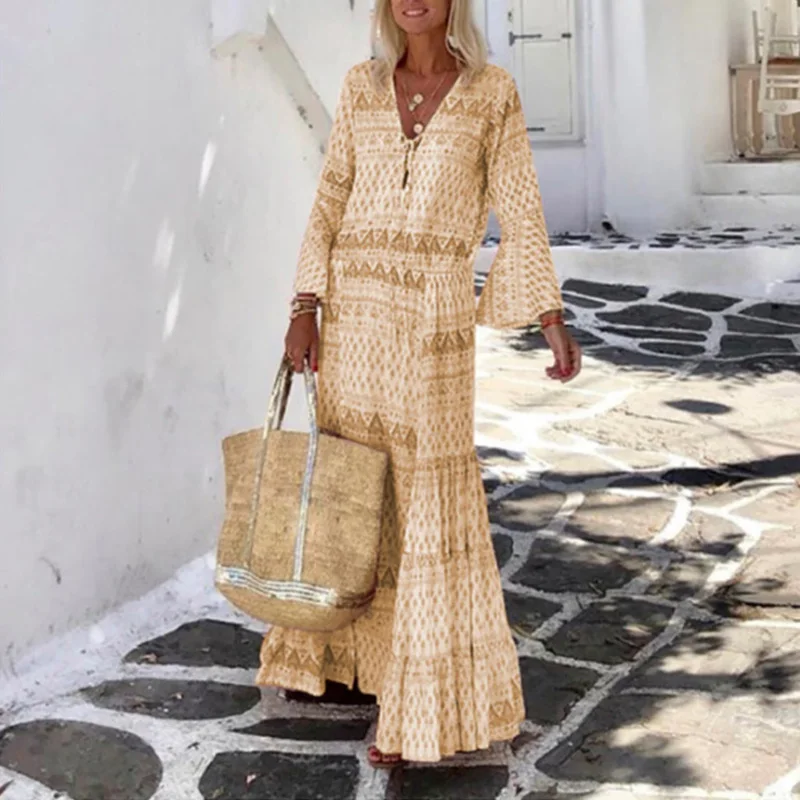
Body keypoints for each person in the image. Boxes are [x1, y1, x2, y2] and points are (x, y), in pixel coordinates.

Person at [257, 0, 582, 767]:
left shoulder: (492, 92)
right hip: (354, 316)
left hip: (432, 319)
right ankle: (344, 661)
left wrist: (550, 315)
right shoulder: (360, 86)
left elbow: (520, 203)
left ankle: (424, 706)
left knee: (427, 496)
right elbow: (332, 195)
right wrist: (305, 306)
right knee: (354, 489)